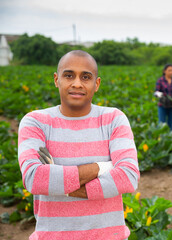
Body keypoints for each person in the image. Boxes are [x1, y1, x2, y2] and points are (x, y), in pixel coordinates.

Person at [17, 50, 139, 240]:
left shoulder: (114, 119)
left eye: (86, 77)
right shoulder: (35, 122)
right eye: (69, 75)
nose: (76, 83)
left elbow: (128, 177)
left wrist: (58, 182)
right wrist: (103, 167)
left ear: (96, 84)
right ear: (56, 80)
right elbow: (34, 178)